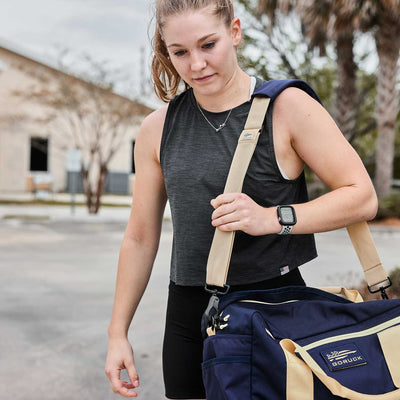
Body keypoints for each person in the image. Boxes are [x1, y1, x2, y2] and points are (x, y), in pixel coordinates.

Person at [105, 0, 378, 399]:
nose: (196, 64)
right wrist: (117, 333)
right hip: (187, 314)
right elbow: (140, 237)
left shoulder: (287, 108)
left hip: (274, 307)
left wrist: (271, 217)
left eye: (208, 45)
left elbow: (362, 197)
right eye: (180, 52)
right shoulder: (156, 129)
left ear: (234, 32)